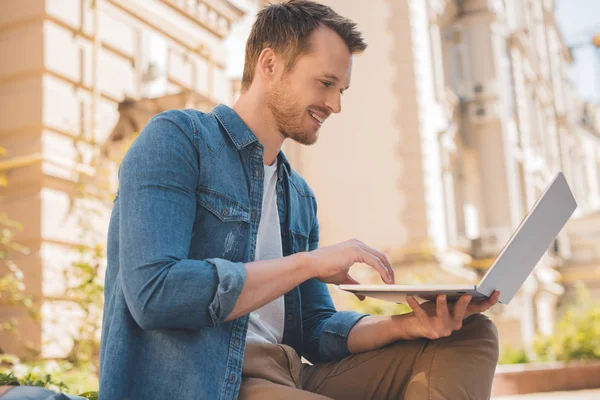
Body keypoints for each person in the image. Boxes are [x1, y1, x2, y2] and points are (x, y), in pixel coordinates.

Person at [99, 1, 500, 399]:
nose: (335, 105)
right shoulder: (179, 138)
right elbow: (155, 293)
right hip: (208, 383)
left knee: (472, 334)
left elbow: (314, 327)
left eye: (340, 90)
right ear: (269, 65)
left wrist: (408, 324)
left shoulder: (298, 196)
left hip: (289, 375)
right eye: (325, 83)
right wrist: (308, 264)